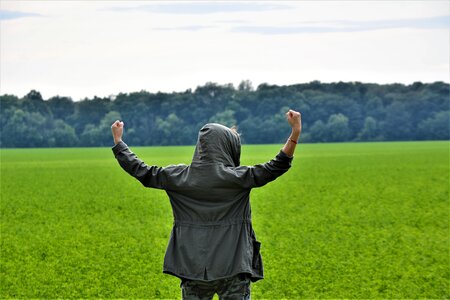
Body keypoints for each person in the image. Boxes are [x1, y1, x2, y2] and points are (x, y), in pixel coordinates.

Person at [111, 109, 302, 300]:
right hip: (234, 266)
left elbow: (143, 171)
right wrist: (295, 133)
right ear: (228, 148)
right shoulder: (239, 178)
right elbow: (278, 165)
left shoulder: (177, 177)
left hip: (193, 268)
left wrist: (119, 143)